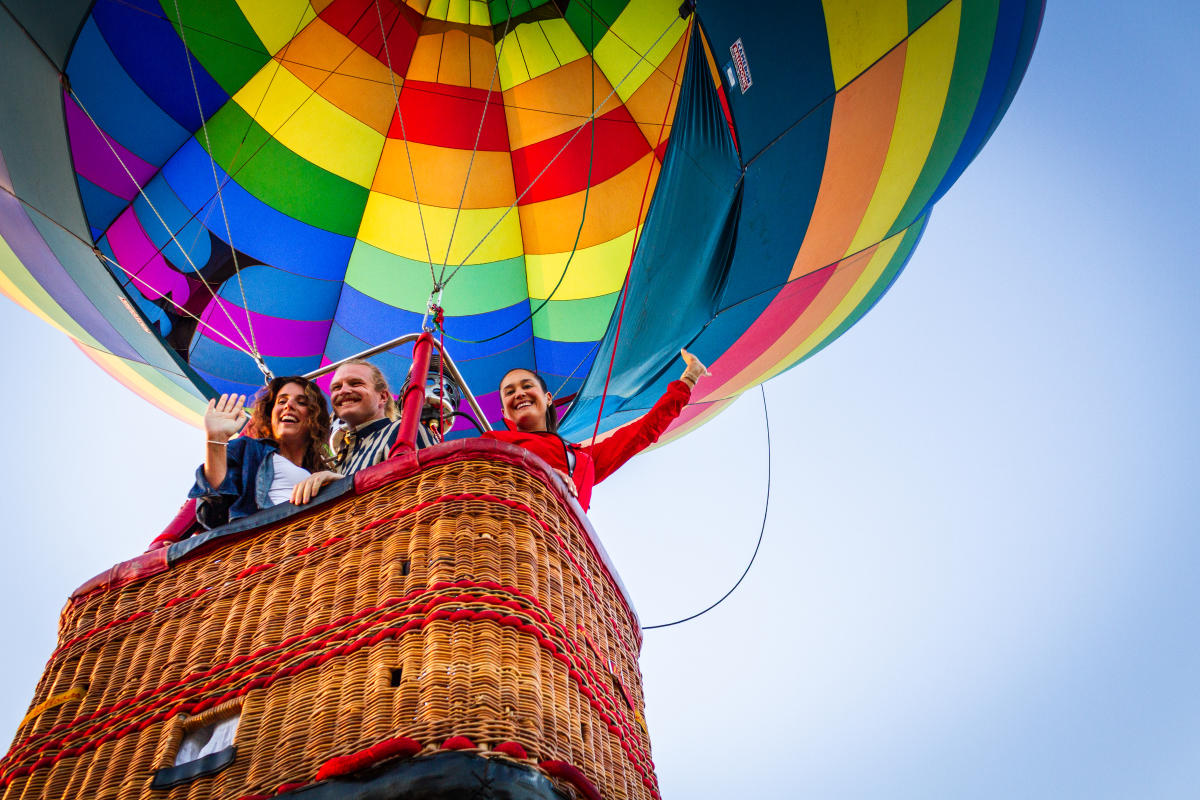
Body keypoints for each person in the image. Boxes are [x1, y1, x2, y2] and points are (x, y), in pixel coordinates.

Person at [481, 349, 709, 511]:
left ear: (548, 398)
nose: (519, 393)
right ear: (504, 413)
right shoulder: (494, 441)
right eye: (509, 392)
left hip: (558, 559)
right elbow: (479, 479)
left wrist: (689, 379)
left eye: (527, 386)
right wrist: (540, 472)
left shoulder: (584, 460)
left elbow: (643, 431)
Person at [189, 376, 333, 528]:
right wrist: (215, 441)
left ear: (314, 417)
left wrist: (333, 478)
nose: (289, 405)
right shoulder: (249, 450)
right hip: (268, 540)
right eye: (281, 401)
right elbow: (212, 514)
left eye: (302, 402)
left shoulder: (319, 471)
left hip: (313, 542)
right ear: (270, 414)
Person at [290, 359, 437, 504]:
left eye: (356, 383)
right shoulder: (343, 460)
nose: (344, 391)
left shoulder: (402, 432)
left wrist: (345, 485)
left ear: (382, 397)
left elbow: (423, 492)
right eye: (336, 387)